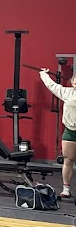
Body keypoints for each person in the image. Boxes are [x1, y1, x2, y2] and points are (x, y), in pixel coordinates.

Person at [38, 67, 76, 198]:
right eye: (75, 80)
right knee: (68, 160)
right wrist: (44, 74)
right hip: (70, 132)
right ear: (72, 82)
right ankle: (66, 189)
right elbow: (52, 86)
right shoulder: (67, 93)